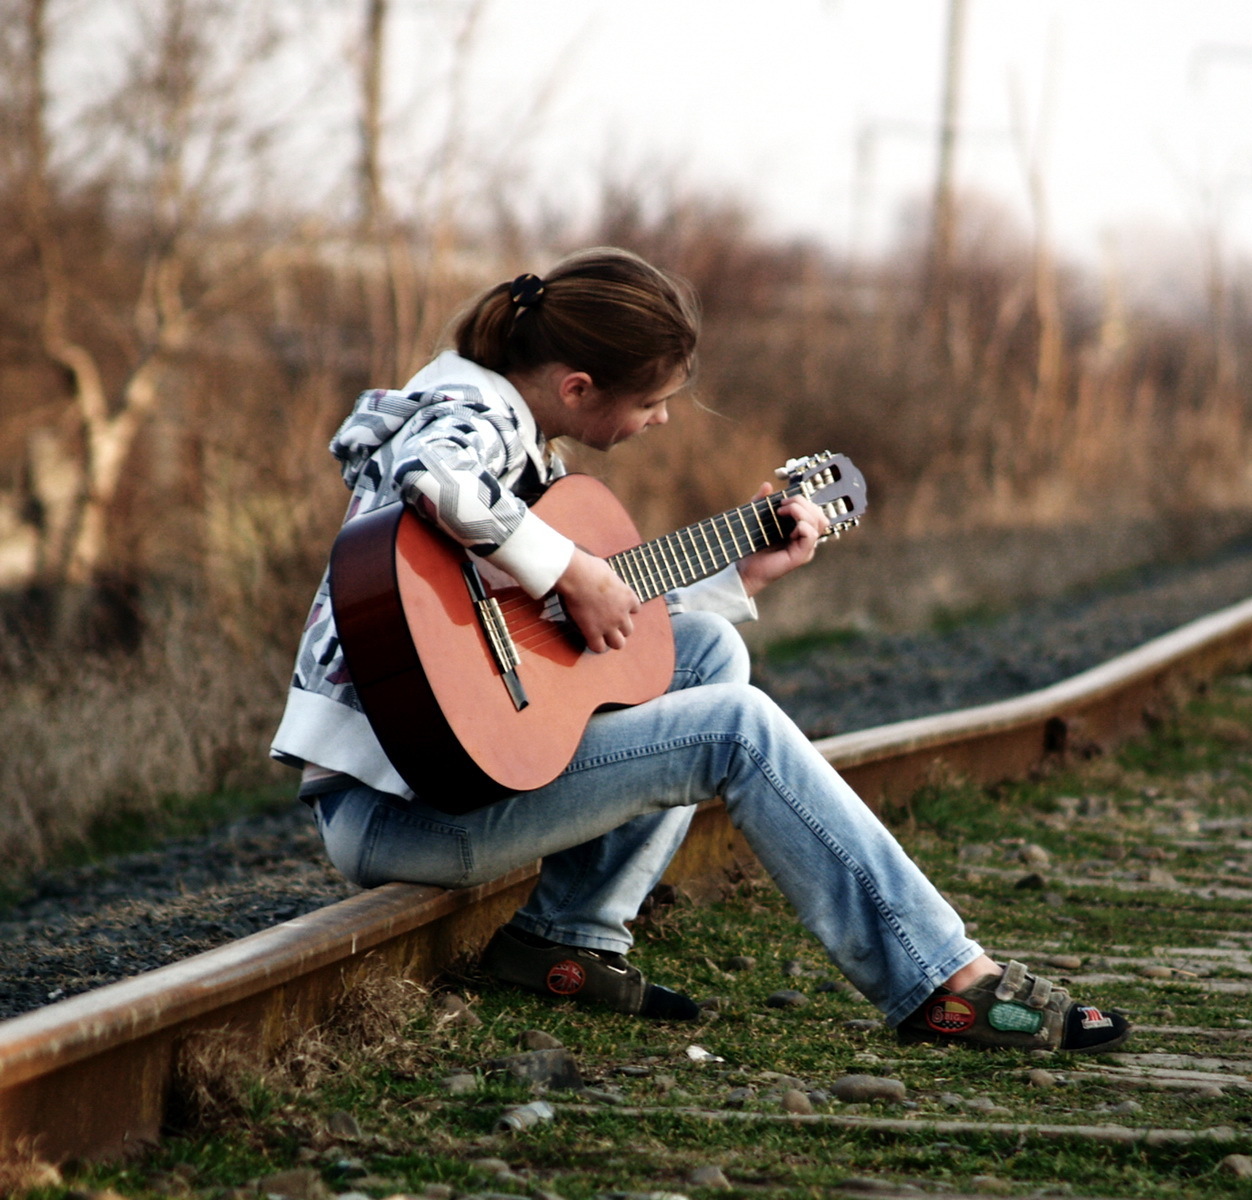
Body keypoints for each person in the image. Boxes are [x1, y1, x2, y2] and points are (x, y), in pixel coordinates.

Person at [270, 246, 1129, 1054]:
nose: (663, 419)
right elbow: (436, 477)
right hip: (403, 811)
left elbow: (565, 642)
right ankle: (947, 982)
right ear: (576, 387)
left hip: (430, 783)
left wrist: (740, 577)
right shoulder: (471, 417)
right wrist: (571, 567)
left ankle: (565, 943)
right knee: (735, 726)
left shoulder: (508, 424)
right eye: (650, 403)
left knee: (708, 651)